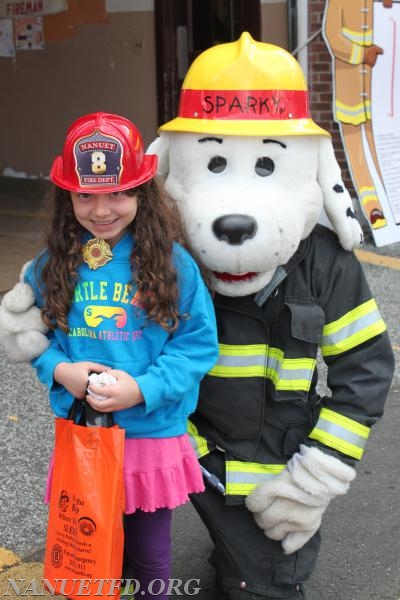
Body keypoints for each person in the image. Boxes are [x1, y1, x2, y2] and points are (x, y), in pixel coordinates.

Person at [22, 112, 219, 600]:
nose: (101, 209)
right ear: (68, 196)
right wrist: (59, 369)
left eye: (118, 193)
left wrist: (142, 388)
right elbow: (29, 335)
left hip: (150, 436)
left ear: (142, 191)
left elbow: (197, 345)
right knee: (88, 554)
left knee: (150, 557)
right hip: (84, 437)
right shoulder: (51, 265)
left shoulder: (173, 264)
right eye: (85, 195)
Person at [323, 0, 394, 230]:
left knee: (383, 151)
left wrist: (389, 10)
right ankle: (373, 206)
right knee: (357, 155)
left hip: (379, 93)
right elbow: (332, 35)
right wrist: (361, 54)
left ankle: (392, 202)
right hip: (350, 90)